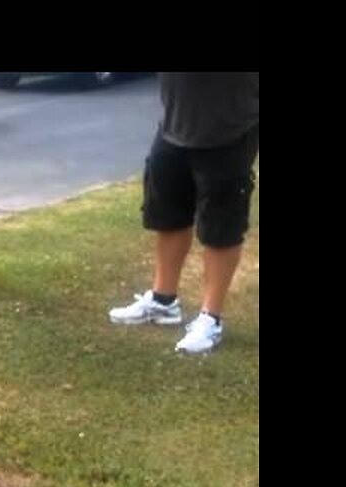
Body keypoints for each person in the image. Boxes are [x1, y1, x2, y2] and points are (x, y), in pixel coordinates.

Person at [109, 72, 259, 353]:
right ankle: (164, 302)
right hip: (174, 124)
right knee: (167, 213)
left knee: (221, 226)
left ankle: (210, 318)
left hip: (228, 128)